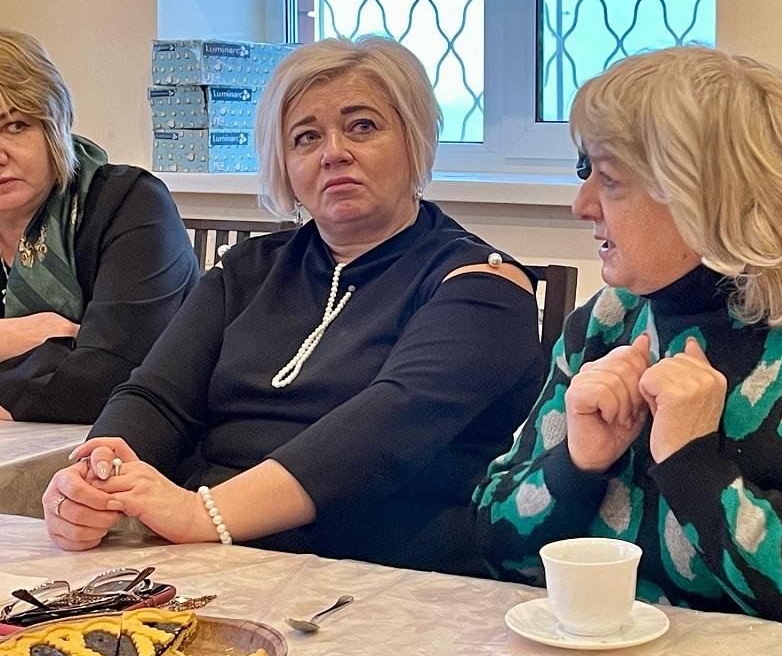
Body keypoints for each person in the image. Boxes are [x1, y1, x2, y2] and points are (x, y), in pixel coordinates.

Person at [475, 46, 782, 640]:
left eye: (611, 180)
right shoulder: (607, 322)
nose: (581, 205)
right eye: (584, 172)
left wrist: (693, 465)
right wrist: (576, 464)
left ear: (709, 198)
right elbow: (492, 545)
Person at [43, 36, 545, 575]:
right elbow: (157, 397)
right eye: (306, 137)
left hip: (378, 572)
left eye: (363, 126)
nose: (334, 152)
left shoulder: (483, 285)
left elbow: (386, 429)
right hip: (204, 557)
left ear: (415, 141)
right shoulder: (245, 270)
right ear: (284, 164)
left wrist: (203, 513)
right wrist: (96, 477)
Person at [0, 29, 199, 423]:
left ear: (55, 124)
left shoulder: (133, 204)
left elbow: (107, 379)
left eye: (15, 126)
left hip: (147, 444)